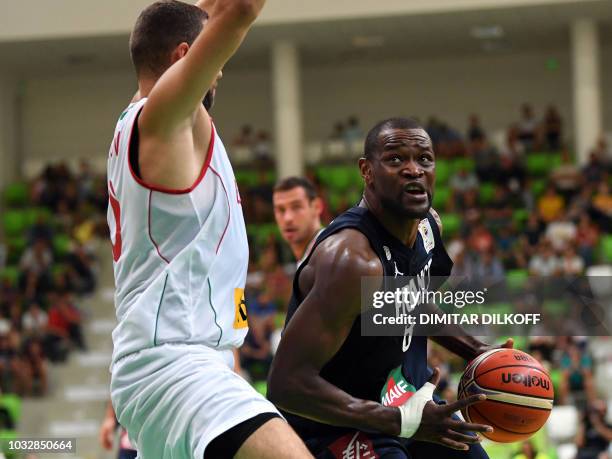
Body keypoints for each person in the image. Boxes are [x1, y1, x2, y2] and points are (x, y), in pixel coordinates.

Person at [106, 1, 312, 458]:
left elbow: (208, 12)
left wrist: (201, 14)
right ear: (184, 59)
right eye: (211, 64)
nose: (217, 74)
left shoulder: (149, 119)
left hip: (186, 363)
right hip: (175, 366)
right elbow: (238, 10)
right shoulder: (165, 118)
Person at [268, 117, 512, 458]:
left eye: (424, 159)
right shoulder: (351, 262)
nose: (414, 170)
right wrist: (401, 422)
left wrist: (479, 351)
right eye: (396, 159)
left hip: (409, 402)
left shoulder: (428, 228)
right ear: (367, 171)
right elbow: (285, 385)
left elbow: (410, 305)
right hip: (341, 425)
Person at [273, 177, 324, 266]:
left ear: (317, 207)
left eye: (296, 207)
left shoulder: (328, 255)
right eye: (281, 210)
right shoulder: (310, 258)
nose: (288, 218)